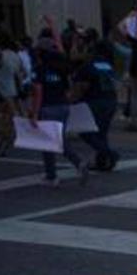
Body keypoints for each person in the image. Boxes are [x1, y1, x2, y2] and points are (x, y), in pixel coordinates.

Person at [27, 29, 89, 186]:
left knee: (48, 143)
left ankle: (52, 175)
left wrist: (34, 114)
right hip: (62, 106)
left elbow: (38, 92)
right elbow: (68, 88)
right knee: (59, 139)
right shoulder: (61, 68)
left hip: (47, 107)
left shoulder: (39, 70)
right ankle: (78, 163)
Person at [73, 41, 121, 171]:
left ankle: (109, 154)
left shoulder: (88, 66)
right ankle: (103, 162)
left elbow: (81, 86)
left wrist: (73, 100)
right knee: (102, 132)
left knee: (85, 131)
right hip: (110, 100)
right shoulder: (108, 66)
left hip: (94, 101)